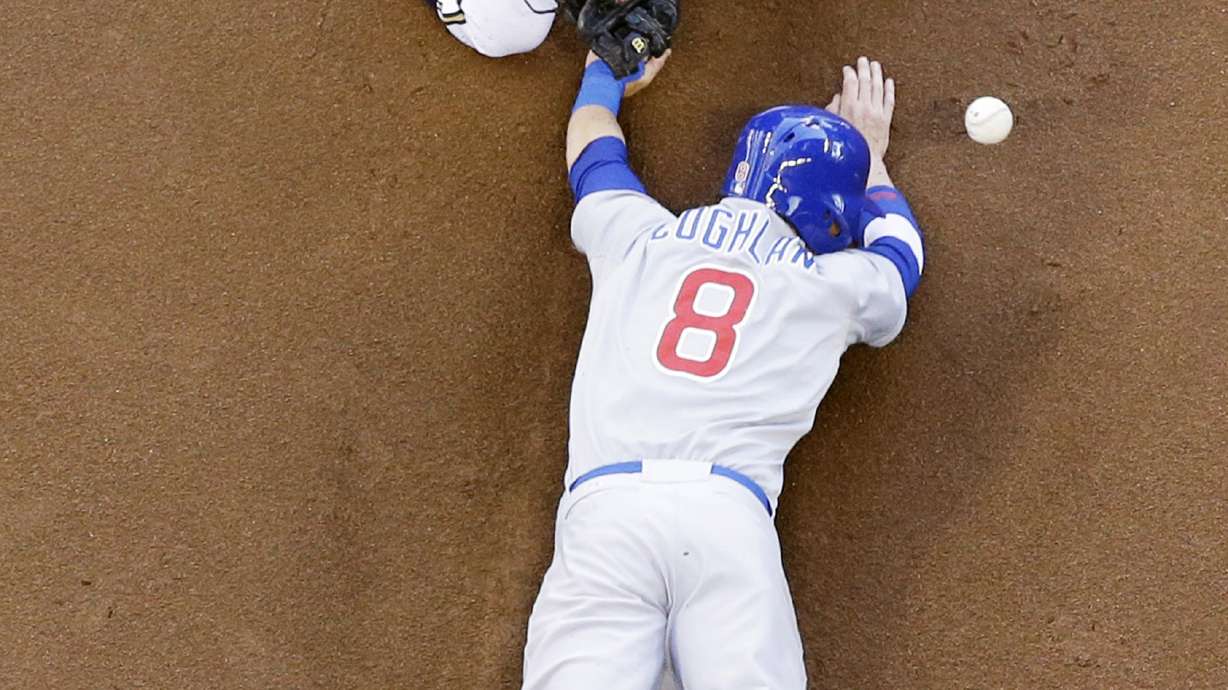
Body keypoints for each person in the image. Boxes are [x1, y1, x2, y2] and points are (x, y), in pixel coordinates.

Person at [520, 52, 925, 689]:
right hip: (726, 523)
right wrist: (872, 164)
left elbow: (594, 156)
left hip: (607, 518)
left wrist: (605, 72)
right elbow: (901, 255)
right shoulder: (829, 285)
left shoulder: (640, 234)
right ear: (831, 218)